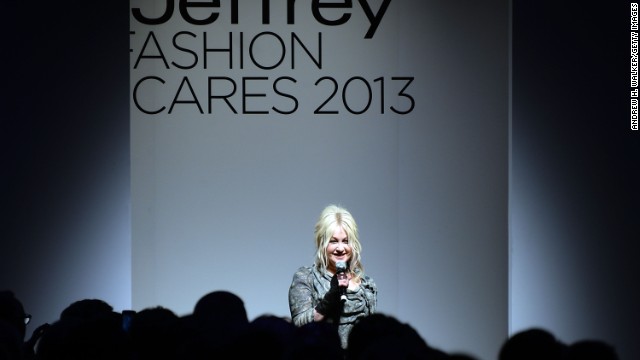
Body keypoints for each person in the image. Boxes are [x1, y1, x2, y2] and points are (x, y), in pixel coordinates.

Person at [288, 204, 377, 349]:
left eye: (346, 241)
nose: (341, 248)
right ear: (322, 243)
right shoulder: (306, 278)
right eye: (333, 241)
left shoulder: (367, 285)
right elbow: (300, 325)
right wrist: (332, 296)